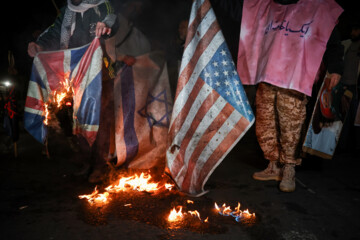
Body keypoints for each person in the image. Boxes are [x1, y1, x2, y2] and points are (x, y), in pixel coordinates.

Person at [213, 0, 344, 192]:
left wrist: (335, 69)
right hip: (267, 76)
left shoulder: (315, 8)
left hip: (294, 79)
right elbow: (238, 10)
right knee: (265, 124)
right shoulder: (266, 7)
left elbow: (331, 39)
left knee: (290, 124)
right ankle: (273, 164)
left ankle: (289, 168)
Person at [27, 0, 118, 183]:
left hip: (100, 75)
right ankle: (87, 161)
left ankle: (100, 166)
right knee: (79, 120)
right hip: (75, 77)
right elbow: (53, 32)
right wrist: (39, 45)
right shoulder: (66, 11)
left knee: (99, 121)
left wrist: (106, 25)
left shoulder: (101, 5)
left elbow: (113, 19)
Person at [337, 22, 360, 155]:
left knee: (356, 119)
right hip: (344, 85)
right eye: (352, 30)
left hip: (356, 87)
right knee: (343, 117)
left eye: (356, 30)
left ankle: (356, 147)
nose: (353, 33)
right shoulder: (346, 44)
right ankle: (342, 146)